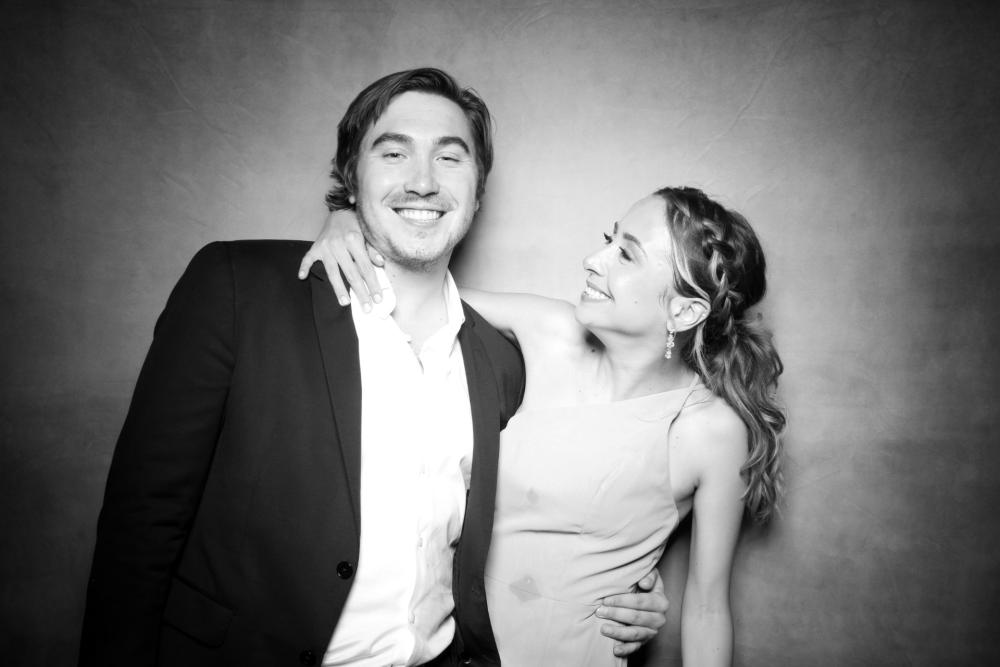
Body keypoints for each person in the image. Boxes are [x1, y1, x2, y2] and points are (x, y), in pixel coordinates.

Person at [79, 68, 666, 666]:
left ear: (477, 191)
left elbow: (534, 524)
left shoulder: (503, 365)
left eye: (450, 158)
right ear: (351, 180)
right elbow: (142, 523)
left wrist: (623, 584)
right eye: (393, 153)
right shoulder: (237, 290)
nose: (423, 182)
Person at [301, 185, 785, 666]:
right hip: (454, 650)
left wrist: (648, 596)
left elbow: (706, 608)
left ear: (685, 311)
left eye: (627, 255)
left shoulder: (712, 432)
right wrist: (348, 223)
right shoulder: (550, 330)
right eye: (610, 239)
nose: (593, 260)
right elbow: (406, 298)